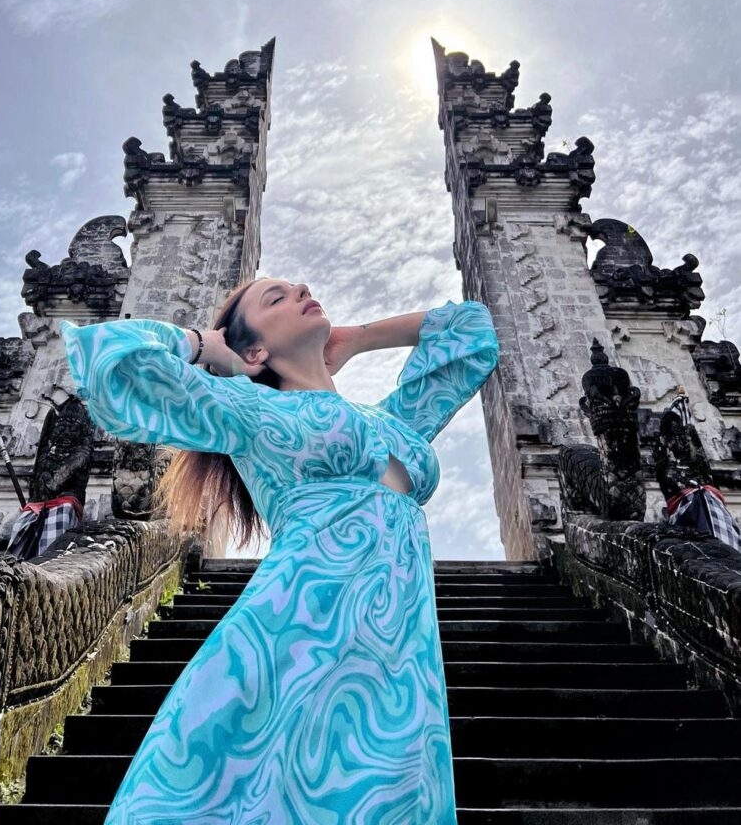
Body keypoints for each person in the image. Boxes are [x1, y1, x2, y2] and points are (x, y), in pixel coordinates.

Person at [58, 278, 500, 825]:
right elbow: (111, 357)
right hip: (293, 635)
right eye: (276, 298)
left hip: (396, 659)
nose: (301, 291)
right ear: (255, 351)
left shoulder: (393, 423)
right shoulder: (243, 410)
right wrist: (203, 347)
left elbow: (472, 331)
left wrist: (355, 339)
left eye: (299, 288)